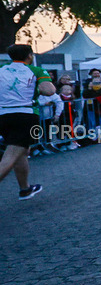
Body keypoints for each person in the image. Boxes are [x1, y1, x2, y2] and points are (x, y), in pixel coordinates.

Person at [0, 44, 55, 200]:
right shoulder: (36, 70)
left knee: (22, 152)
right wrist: (36, 87)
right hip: (25, 114)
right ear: (30, 56)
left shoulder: (2, 70)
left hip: (3, 114)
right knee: (11, 155)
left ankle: (25, 189)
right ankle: (24, 189)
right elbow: (49, 90)